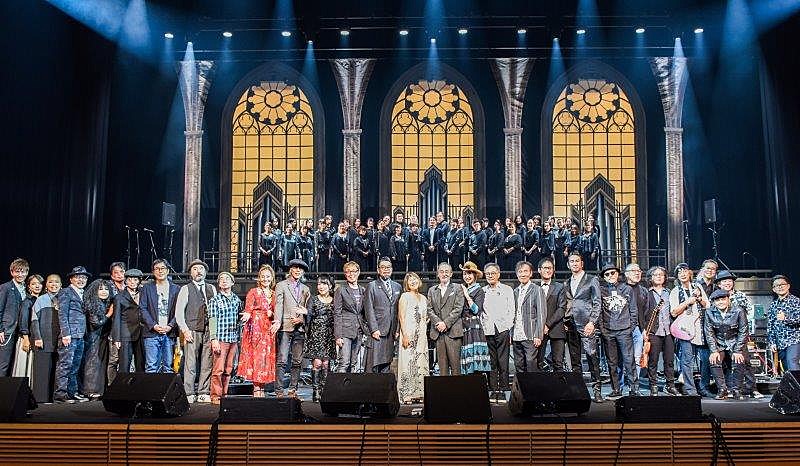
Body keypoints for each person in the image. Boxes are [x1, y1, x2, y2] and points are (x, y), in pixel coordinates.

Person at [715, 270, 763, 398]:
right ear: (719, 284)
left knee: (745, 362)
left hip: (739, 335)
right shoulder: (716, 297)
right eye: (724, 281)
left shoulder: (740, 295)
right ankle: (732, 389)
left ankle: (752, 389)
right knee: (727, 364)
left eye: (729, 281)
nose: (727, 283)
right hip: (723, 337)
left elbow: (749, 312)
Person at [563, 252, 603, 402]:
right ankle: (578, 391)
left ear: (582, 263)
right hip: (570, 324)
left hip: (587, 324)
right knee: (575, 360)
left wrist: (592, 322)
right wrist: (565, 320)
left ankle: (597, 390)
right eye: (572, 261)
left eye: (577, 261)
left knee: (592, 356)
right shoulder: (566, 282)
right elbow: (567, 302)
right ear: (568, 265)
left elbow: (597, 302)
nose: (574, 263)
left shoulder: (592, 279)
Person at [175, 259, 216, 403]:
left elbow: (214, 312)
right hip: (192, 329)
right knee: (190, 363)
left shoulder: (211, 288)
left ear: (205, 272)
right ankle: (189, 392)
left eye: (201, 269)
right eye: (195, 269)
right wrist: (185, 330)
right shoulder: (186, 289)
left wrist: (214, 332)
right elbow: (179, 313)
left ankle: (203, 391)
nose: (198, 271)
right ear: (190, 273)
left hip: (208, 330)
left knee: (207, 362)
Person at [598, 263, 640, 398]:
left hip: (624, 330)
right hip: (608, 331)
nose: (610, 276)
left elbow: (633, 310)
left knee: (629, 361)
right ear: (604, 277)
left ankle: (634, 389)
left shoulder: (627, 289)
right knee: (612, 363)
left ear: (617, 274)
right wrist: (603, 329)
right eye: (607, 274)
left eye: (613, 273)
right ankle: (616, 389)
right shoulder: (601, 290)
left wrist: (630, 327)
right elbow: (598, 310)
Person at [669, 263, 709, 396]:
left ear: (690, 273)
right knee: (687, 360)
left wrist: (698, 298)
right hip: (685, 329)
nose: (683, 274)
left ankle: (703, 387)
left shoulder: (697, 287)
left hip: (700, 328)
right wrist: (688, 302)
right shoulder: (675, 291)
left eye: (685, 271)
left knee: (704, 359)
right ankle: (690, 390)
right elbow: (674, 312)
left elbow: (707, 305)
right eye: (679, 272)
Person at [239, 265, 278, 397]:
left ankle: (262, 387)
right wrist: (247, 315)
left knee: (265, 357)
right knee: (256, 356)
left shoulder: (274, 294)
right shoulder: (253, 291)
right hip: (255, 327)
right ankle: (256, 387)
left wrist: (272, 313)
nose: (265, 279)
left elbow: (277, 311)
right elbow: (248, 308)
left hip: (268, 328)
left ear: (272, 278)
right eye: (263, 276)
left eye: (268, 276)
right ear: (259, 278)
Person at [274, 258, 310, 398]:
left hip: (299, 328)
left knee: (297, 361)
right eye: (295, 268)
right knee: (282, 360)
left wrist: (301, 319)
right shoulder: (281, 285)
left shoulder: (306, 289)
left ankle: (293, 389)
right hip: (285, 327)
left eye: (300, 269)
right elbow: (279, 305)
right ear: (290, 269)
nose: (297, 270)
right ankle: (278, 390)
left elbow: (307, 309)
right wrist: (277, 321)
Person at [54, 266, 91, 403]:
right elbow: (62, 313)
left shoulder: (84, 293)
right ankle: (60, 394)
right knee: (65, 365)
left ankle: (72, 392)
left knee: (75, 366)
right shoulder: (66, 292)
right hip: (69, 335)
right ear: (71, 279)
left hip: (80, 335)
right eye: (78, 277)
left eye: (84, 277)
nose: (81, 280)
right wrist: (65, 334)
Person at [704, 289, 748, 400]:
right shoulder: (709, 312)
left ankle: (736, 390)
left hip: (734, 342)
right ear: (714, 302)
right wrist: (714, 350)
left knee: (738, 361)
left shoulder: (739, 311)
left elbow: (743, 331)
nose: (720, 302)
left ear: (728, 299)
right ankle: (722, 390)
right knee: (714, 361)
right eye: (717, 300)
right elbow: (709, 333)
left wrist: (738, 350)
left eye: (723, 299)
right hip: (719, 343)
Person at [480, 262, 515, 403]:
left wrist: (507, 327)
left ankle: (505, 388)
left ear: (498, 274)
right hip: (487, 329)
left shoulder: (507, 289)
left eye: (493, 273)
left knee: (503, 361)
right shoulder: (482, 291)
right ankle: (493, 389)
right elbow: (481, 312)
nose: (490, 276)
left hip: (502, 329)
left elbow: (511, 310)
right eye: (488, 274)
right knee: (491, 362)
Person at [207, 271, 242, 405]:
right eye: (221, 279)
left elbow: (239, 318)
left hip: (233, 339)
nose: (224, 280)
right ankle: (216, 395)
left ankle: (224, 394)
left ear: (232, 282)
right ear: (219, 283)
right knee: (218, 369)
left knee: (228, 369)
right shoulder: (215, 300)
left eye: (227, 278)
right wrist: (214, 339)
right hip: (221, 339)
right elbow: (212, 320)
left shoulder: (236, 300)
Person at [643, 266, 679, 396]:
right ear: (650, 277)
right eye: (656, 274)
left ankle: (670, 385)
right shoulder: (646, 293)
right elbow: (643, 313)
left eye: (661, 275)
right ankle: (653, 385)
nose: (659, 277)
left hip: (669, 331)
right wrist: (644, 330)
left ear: (665, 278)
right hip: (653, 331)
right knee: (653, 360)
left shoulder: (669, 292)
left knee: (669, 360)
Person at [140, 259, 180, 374]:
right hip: (151, 333)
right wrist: (154, 325)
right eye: (157, 269)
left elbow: (180, 311)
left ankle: (167, 387)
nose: (160, 271)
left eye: (162, 268)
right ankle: (151, 387)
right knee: (151, 366)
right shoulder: (147, 288)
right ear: (153, 272)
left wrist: (170, 325)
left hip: (169, 333)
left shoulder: (176, 289)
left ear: (167, 271)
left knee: (169, 367)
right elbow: (142, 309)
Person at [363, 257, 402, 373]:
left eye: (388, 267)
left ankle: (384, 384)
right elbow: (368, 309)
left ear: (392, 269)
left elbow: (400, 311)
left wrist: (398, 329)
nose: (386, 269)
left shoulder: (398, 287)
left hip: (392, 331)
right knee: (374, 364)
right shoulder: (372, 285)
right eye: (383, 267)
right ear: (378, 270)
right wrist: (374, 329)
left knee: (387, 363)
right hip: (378, 331)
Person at [427, 263, 465, 376]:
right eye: (441, 272)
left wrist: (445, 323)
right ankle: (444, 388)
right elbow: (429, 309)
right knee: (442, 369)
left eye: (447, 271)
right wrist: (438, 323)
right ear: (438, 274)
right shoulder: (432, 290)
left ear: (451, 274)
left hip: (453, 332)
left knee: (456, 368)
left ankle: (457, 388)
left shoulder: (457, 288)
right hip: (438, 332)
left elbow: (458, 308)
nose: (444, 274)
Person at [303, 275, 336, 402]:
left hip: (329, 336)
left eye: (324, 284)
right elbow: (308, 317)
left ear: (330, 286)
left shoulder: (334, 299)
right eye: (319, 284)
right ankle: (315, 391)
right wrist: (306, 313)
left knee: (326, 364)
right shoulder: (313, 299)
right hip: (315, 335)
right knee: (317, 363)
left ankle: (324, 390)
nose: (321, 286)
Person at [397, 272, 429, 404]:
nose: (413, 281)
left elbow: (426, 316)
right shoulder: (404, 296)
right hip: (408, 334)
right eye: (410, 280)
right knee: (408, 362)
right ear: (407, 284)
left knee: (421, 362)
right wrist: (405, 335)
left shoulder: (424, 298)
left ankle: (419, 393)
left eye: (414, 279)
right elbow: (401, 317)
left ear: (419, 280)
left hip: (421, 335)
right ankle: (407, 394)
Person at [30, 274, 61, 403]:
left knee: (57, 371)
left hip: (60, 342)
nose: (54, 284)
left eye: (56, 282)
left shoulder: (64, 299)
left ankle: (55, 398)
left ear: (61, 285)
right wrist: (37, 337)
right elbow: (34, 320)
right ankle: (41, 399)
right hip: (44, 341)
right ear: (46, 285)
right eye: (51, 282)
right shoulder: (40, 300)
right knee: (42, 371)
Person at [511, 261, 547, 374]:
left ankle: (533, 386)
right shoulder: (515, 291)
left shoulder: (537, 289)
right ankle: (522, 386)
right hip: (516, 335)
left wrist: (538, 335)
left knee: (531, 363)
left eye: (525, 271)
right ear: (517, 274)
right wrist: (511, 334)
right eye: (520, 272)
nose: (523, 274)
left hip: (531, 334)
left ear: (531, 273)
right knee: (519, 364)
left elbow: (541, 314)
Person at [81, 279, 114, 398]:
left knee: (102, 363)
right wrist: (109, 314)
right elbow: (96, 323)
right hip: (93, 338)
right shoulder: (92, 303)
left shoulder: (106, 303)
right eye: (100, 289)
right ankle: (90, 390)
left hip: (103, 337)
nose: (104, 291)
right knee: (92, 363)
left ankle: (100, 390)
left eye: (106, 289)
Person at [459, 262, 491, 375]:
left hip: (474, 328)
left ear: (475, 275)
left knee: (476, 365)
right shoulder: (463, 288)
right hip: (465, 327)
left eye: (469, 274)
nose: (467, 276)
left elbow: (477, 310)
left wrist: (467, 296)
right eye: (465, 274)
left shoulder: (479, 290)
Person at [334, 261, 365, 373]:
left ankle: (351, 385)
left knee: (354, 363)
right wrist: (338, 336)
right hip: (345, 330)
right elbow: (337, 313)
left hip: (358, 330)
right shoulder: (341, 290)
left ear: (358, 272)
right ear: (345, 274)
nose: (351, 274)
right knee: (344, 362)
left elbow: (364, 312)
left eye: (353, 271)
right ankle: (340, 384)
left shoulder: (363, 290)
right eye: (348, 272)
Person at [111, 268, 145, 375]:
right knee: (124, 364)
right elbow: (116, 317)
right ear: (125, 281)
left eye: (135, 280)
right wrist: (117, 338)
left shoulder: (144, 293)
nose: (132, 282)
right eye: (129, 280)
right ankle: (123, 385)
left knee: (141, 364)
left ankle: (140, 384)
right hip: (126, 333)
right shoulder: (119, 297)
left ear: (139, 281)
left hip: (141, 333)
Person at [537, 257, 568, 372]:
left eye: (550, 268)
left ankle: (559, 384)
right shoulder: (534, 287)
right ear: (539, 270)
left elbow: (561, 308)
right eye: (545, 268)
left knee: (558, 363)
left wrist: (548, 325)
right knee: (538, 362)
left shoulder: (560, 287)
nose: (548, 270)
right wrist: (541, 326)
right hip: (538, 330)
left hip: (556, 328)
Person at [0, 258, 30, 376]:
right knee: (3, 364)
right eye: (17, 271)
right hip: (8, 330)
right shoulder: (5, 287)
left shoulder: (27, 288)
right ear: (12, 272)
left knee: (16, 364)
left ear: (27, 272)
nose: (20, 274)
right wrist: (0, 329)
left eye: (23, 271)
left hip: (21, 332)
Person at [11, 274, 42, 379]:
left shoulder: (42, 300)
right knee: (23, 366)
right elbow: (23, 320)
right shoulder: (27, 302)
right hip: (27, 338)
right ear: (29, 286)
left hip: (36, 338)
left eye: (39, 283)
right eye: (33, 284)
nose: (37, 286)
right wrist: (25, 338)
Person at [767, 275, 800, 372]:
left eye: (782, 284)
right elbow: (770, 325)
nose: (780, 287)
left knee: (792, 363)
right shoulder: (773, 305)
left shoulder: (796, 302)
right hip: (780, 342)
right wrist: (772, 342)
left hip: (794, 340)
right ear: (774, 289)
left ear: (788, 286)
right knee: (786, 368)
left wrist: (785, 318)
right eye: (777, 285)